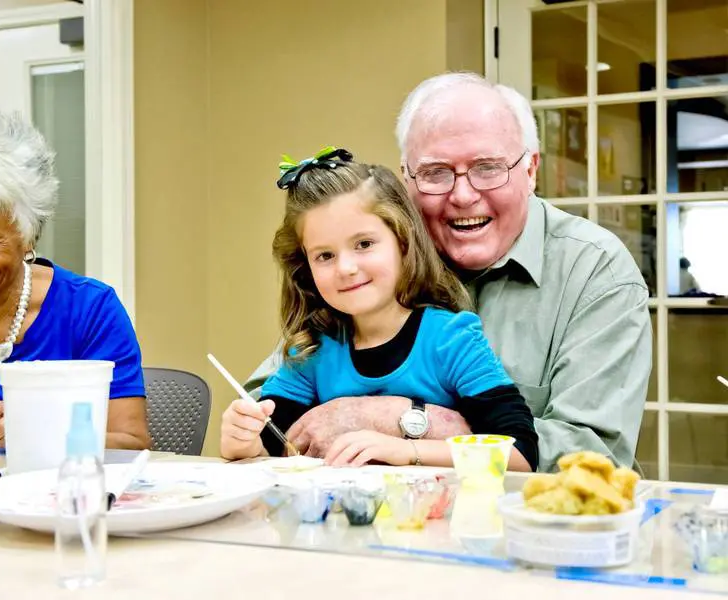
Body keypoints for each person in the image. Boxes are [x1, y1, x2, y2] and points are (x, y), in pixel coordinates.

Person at [244, 73, 652, 472]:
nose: (462, 195)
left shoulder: (597, 271)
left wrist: (406, 420)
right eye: (436, 172)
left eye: (488, 167)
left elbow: (592, 456)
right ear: (407, 181)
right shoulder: (375, 263)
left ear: (530, 171)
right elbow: (266, 407)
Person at [221, 149, 538, 471]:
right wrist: (242, 441)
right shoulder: (312, 348)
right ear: (306, 269)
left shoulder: (451, 339)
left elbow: (521, 455)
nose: (346, 268)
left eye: (364, 244)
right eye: (324, 256)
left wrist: (406, 450)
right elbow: (268, 445)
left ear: (403, 242)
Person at [0, 104, 150, 450]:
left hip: (57, 498)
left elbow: (131, 443)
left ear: (27, 238)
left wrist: (39, 430)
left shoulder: (88, 309)